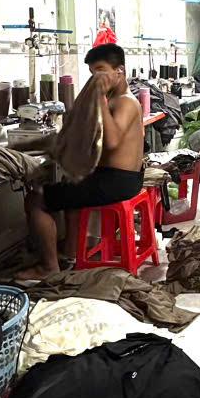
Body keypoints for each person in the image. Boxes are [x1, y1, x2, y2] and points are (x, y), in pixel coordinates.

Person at [20, 44, 144, 279]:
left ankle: (48, 267)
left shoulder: (124, 102)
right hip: (123, 179)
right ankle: (70, 253)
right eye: (92, 72)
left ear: (120, 71)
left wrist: (99, 99)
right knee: (71, 188)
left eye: (100, 70)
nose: (95, 78)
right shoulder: (120, 100)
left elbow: (112, 142)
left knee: (34, 201)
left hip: (117, 182)